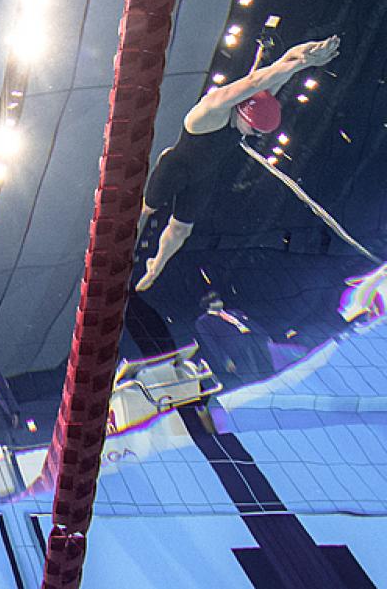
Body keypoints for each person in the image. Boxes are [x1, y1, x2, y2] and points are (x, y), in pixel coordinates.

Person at [135, 35, 340, 291]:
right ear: (244, 113)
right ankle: (128, 241)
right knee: (147, 208)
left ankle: (155, 268)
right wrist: (299, 63)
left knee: (181, 230)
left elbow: (282, 66)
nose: (254, 137)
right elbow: (256, 80)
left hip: (204, 175)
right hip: (177, 166)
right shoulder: (212, 109)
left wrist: (307, 57)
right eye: (254, 132)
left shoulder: (256, 105)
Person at [193, 291, 274, 385]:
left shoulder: (234, 312)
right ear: (208, 305)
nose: (219, 302)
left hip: (255, 343)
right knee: (252, 378)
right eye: (214, 301)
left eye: (219, 300)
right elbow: (212, 344)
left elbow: (252, 324)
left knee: (268, 370)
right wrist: (225, 360)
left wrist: (265, 336)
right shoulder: (204, 321)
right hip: (237, 352)